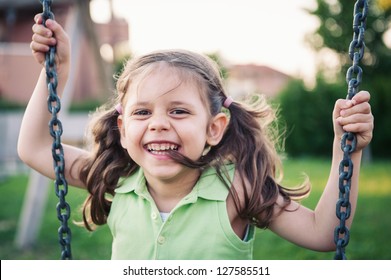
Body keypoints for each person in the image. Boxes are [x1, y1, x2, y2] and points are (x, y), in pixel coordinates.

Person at [18, 14, 374, 260]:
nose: (158, 123)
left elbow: (324, 233)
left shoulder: (237, 190)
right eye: (142, 112)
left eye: (178, 111)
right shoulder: (118, 179)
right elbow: (33, 148)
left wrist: (348, 151)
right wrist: (58, 72)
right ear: (123, 129)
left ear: (214, 128)